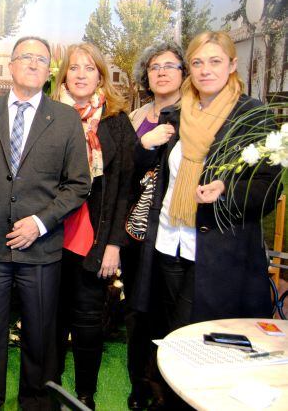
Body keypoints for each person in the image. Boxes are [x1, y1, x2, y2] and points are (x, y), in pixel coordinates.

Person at [133, 31, 280, 405]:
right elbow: (150, 175)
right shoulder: (176, 114)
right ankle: (163, 397)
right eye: (197, 62)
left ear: (232, 65)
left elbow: (268, 188)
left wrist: (226, 190)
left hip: (216, 250)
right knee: (167, 331)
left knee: (191, 338)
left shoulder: (253, 116)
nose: (205, 69)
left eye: (215, 61)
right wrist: (142, 148)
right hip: (168, 242)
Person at [0, 36, 91, 411]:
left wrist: (39, 223)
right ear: (11, 65)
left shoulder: (66, 118)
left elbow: (78, 184)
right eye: (27, 57)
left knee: (40, 334)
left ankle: (37, 402)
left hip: (41, 247)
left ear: (49, 70)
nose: (35, 64)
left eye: (42, 59)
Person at [52, 43, 134, 410]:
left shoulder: (116, 121)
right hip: (50, 237)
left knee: (88, 324)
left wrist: (114, 244)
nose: (81, 74)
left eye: (89, 68)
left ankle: (85, 393)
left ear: (100, 75)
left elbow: (125, 191)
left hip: (95, 239)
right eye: (74, 68)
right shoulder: (49, 115)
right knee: (49, 321)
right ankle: (47, 390)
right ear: (64, 75)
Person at [122, 41, 186, 410]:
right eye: (154, 66)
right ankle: (140, 386)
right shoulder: (135, 117)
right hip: (135, 231)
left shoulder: (192, 115)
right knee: (138, 312)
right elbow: (121, 175)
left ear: (183, 73)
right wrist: (141, 145)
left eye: (170, 65)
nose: (161, 72)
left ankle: (168, 389)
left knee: (170, 313)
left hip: (175, 232)